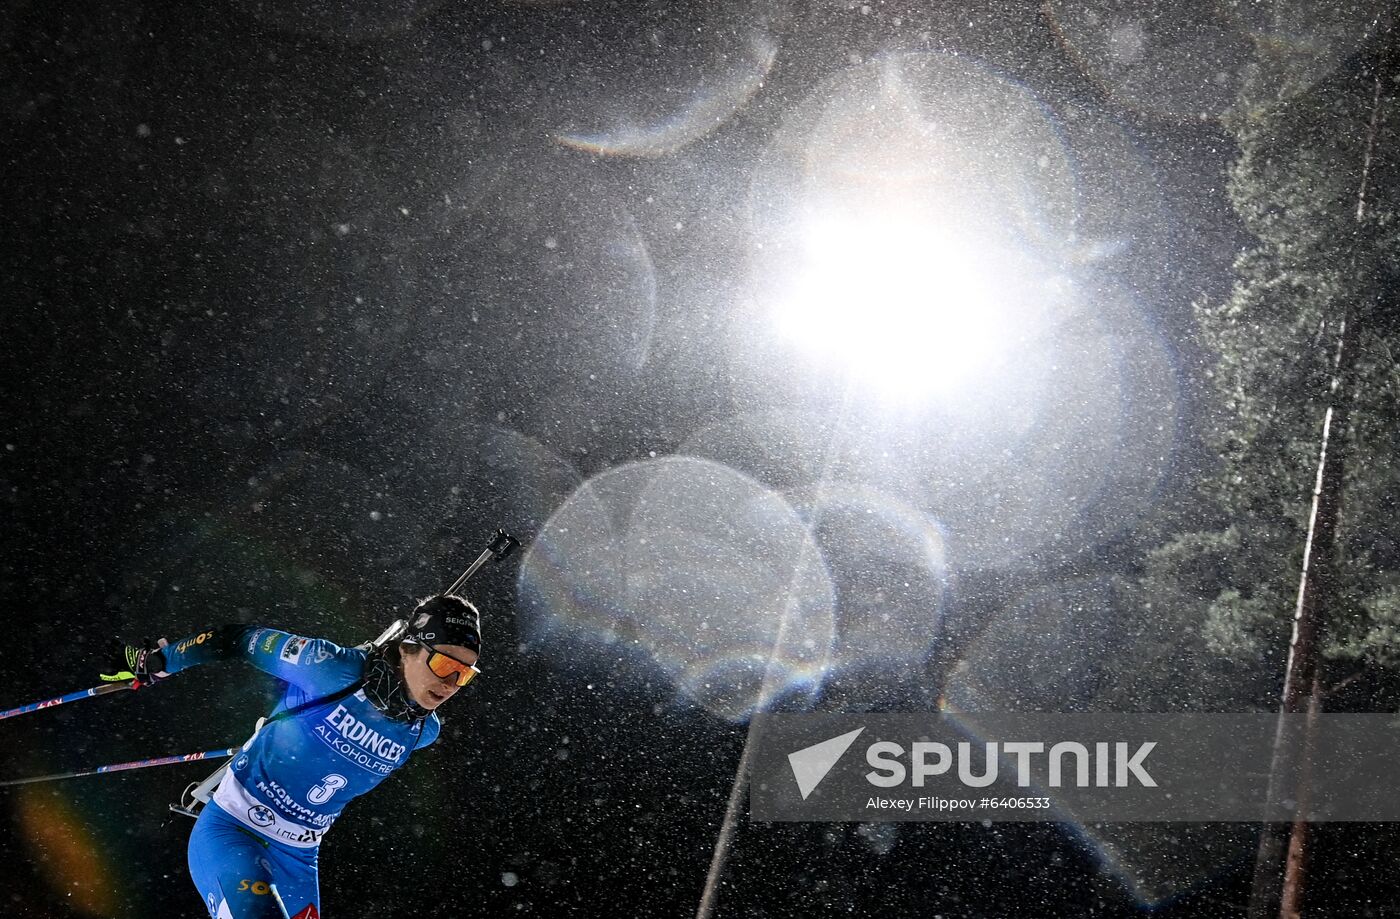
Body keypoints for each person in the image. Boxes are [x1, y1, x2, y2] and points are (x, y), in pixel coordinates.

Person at [104, 594, 483, 919]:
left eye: (464, 675)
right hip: (233, 830)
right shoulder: (330, 667)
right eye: (445, 665)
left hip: (299, 860)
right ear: (407, 648)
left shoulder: (422, 732)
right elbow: (238, 639)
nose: (450, 684)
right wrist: (164, 661)